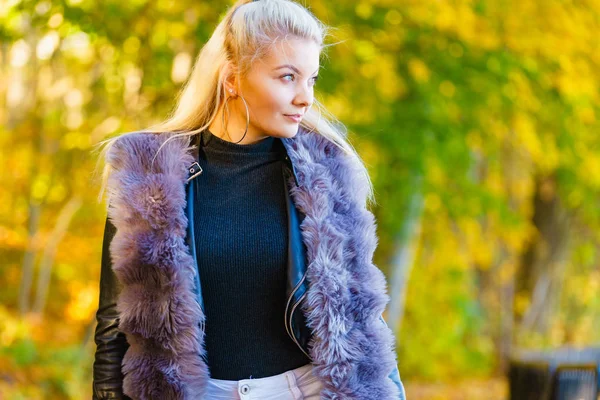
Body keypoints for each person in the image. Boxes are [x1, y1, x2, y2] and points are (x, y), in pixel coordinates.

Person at [92, 0, 406, 399]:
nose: (305, 97)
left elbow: (361, 313)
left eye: (311, 79)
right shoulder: (148, 172)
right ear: (233, 78)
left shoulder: (327, 171)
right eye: (287, 77)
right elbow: (114, 321)